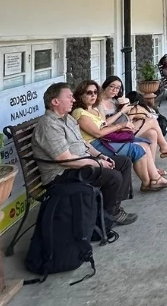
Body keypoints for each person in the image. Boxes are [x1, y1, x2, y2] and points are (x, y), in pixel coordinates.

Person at [32, 82, 137, 225]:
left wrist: (99, 155)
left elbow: (83, 142)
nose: (73, 100)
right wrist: (97, 163)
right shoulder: (49, 125)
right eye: (69, 97)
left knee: (124, 162)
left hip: (80, 163)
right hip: (61, 174)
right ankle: (109, 216)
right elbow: (65, 159)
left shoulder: (67, 118)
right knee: (113, 176)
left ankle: (110, 209)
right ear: (55, 102)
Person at [72, 80, 167, 192]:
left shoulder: (94, 109)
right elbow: (97, 133)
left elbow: (104, 125)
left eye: (95, 92)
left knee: (144, 144)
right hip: (94, 144)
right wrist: (120, 125)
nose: (93, 95)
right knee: (137, 149)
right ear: (80, 95)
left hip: (107, 138)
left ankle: (154, 179)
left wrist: (122, 126)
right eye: (89, 93)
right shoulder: (79, 112)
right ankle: (147, 183)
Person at [98, 76, 167, 160]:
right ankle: (164, 147)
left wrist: (127, 105)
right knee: (151, 121)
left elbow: (125, 115)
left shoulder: (114, 101)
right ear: (105, 86)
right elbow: (104, 123)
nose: (114, 90)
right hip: (113, 133)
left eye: (118, 88)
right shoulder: (100, 103)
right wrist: (121, 112)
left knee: (152, 133)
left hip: (123, 127)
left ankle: (152, 166)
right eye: (112, 86)